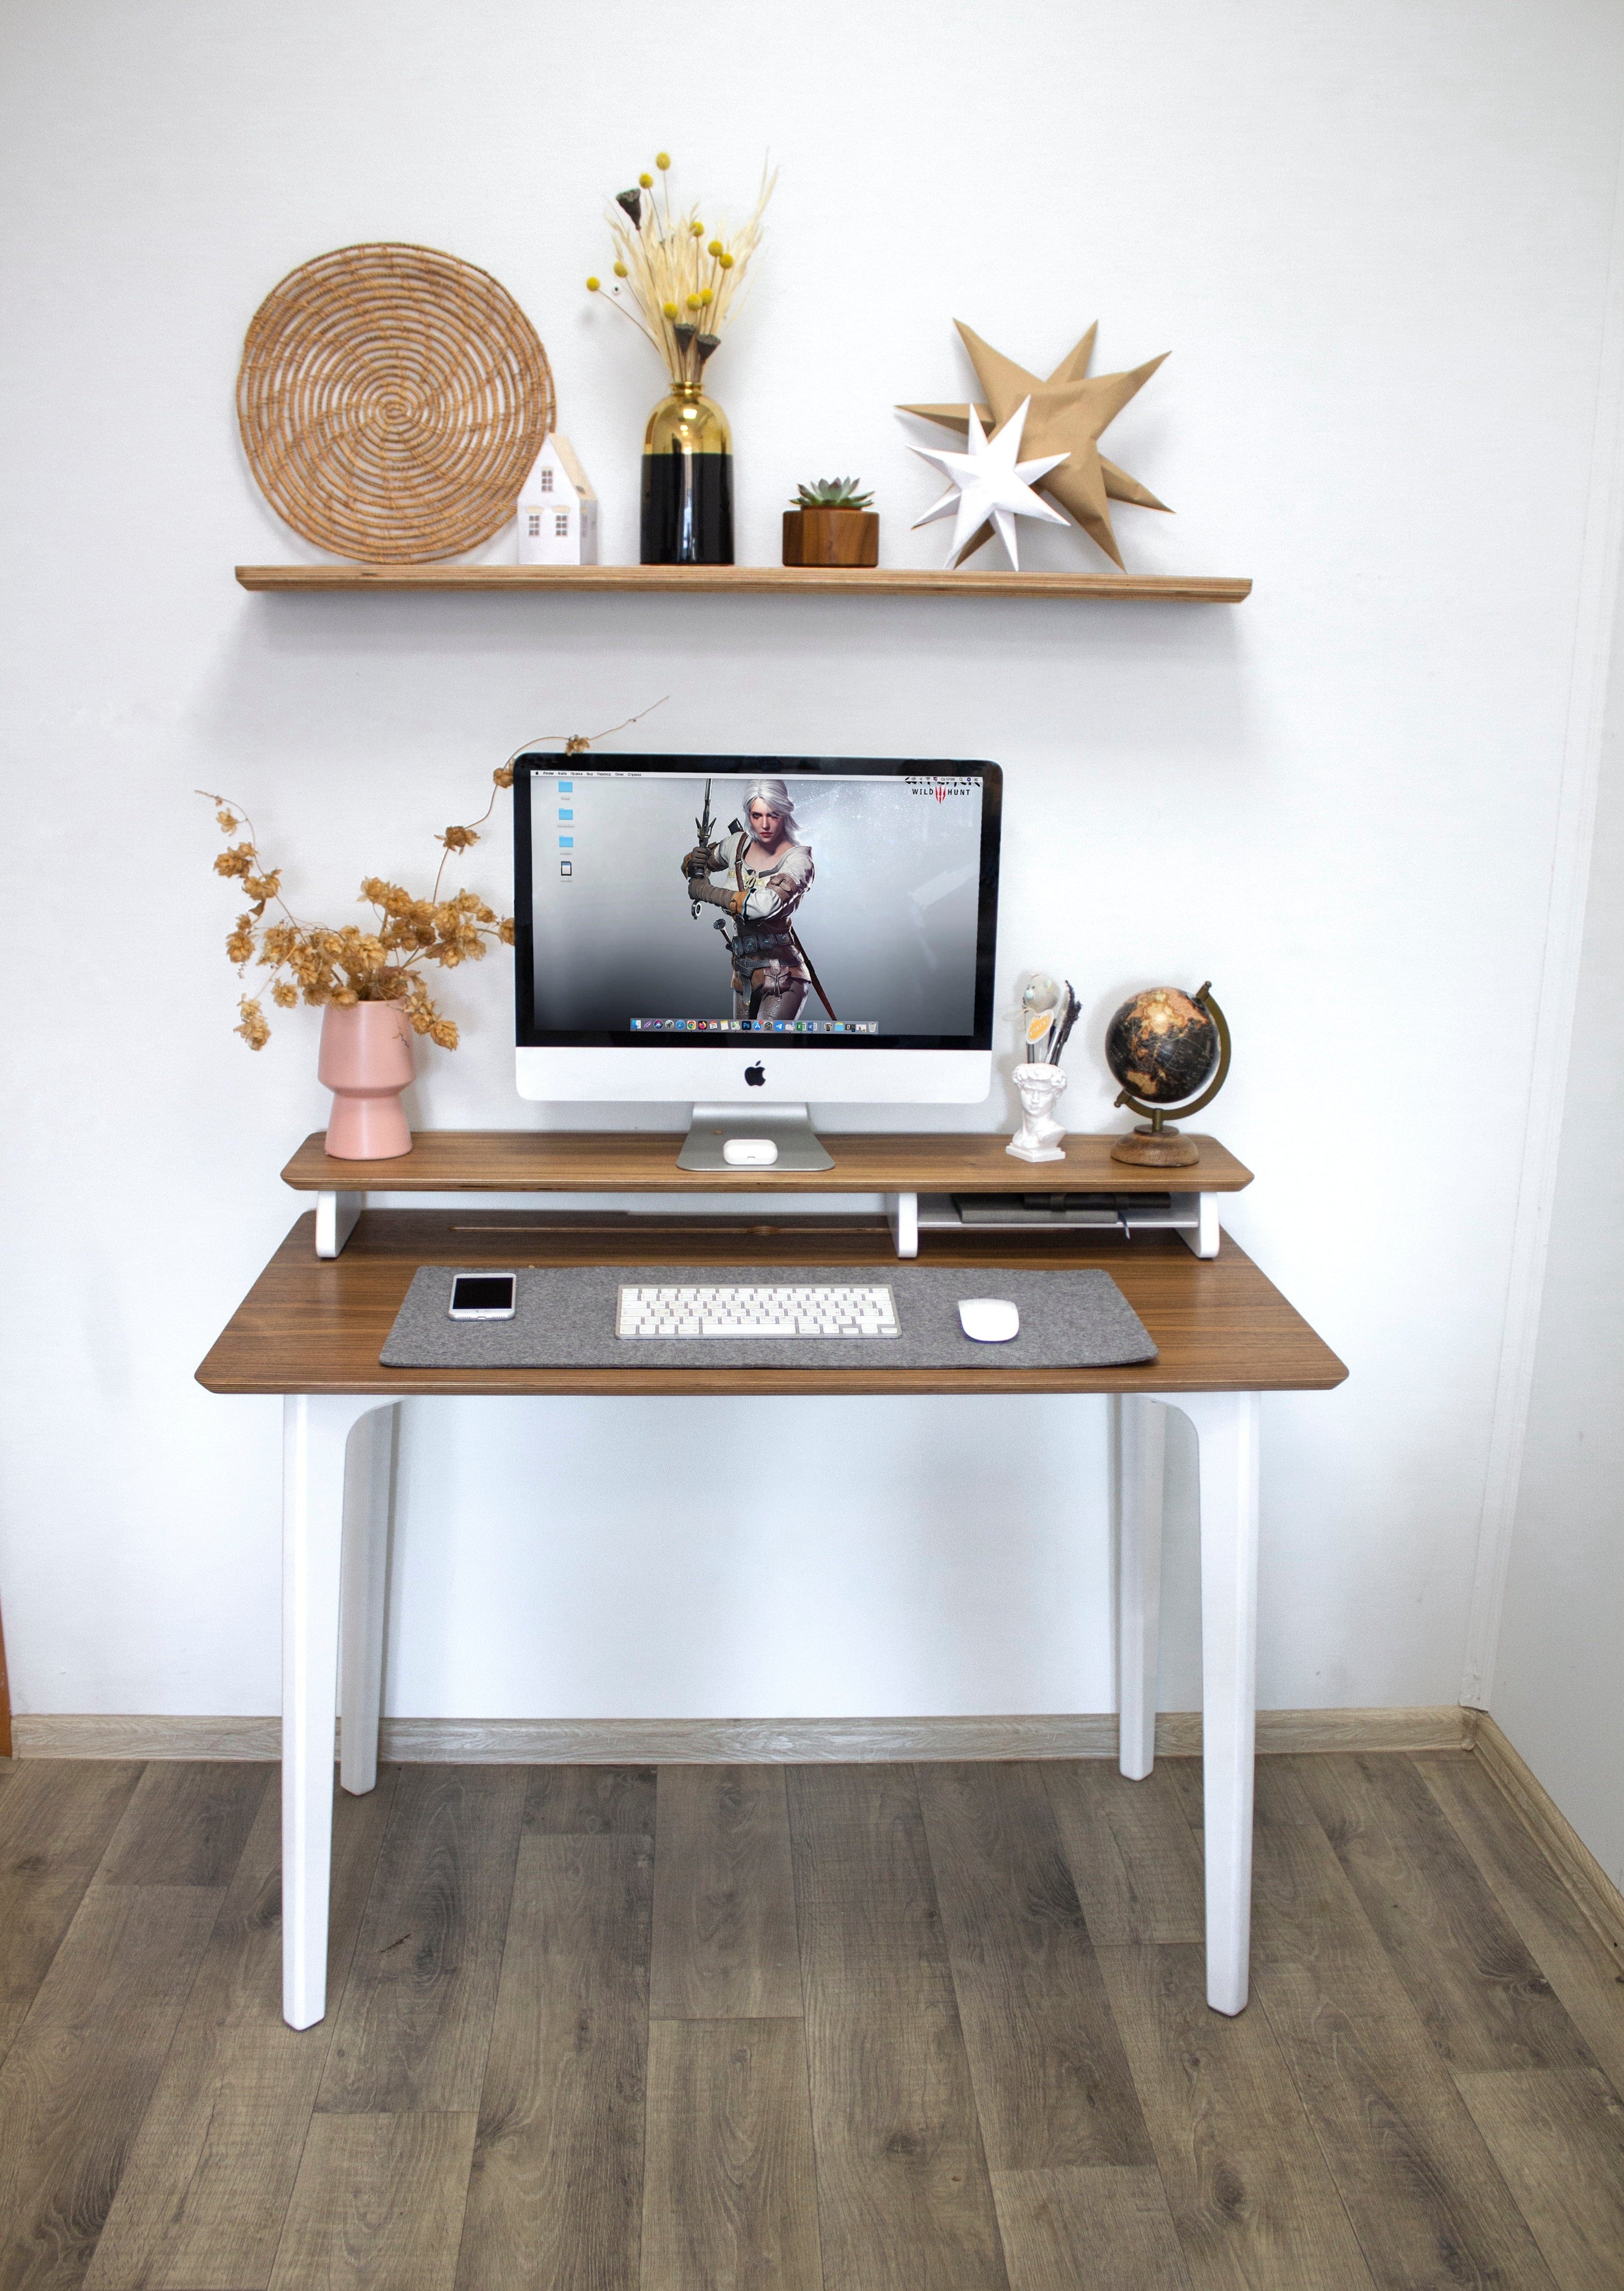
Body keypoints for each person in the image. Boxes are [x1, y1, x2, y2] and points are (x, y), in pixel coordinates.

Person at [682, 778, 817, 1022]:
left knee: (767, 1041)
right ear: (749, 815)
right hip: (744, 974)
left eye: (773, 815)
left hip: (784, 975)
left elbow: (763, 906)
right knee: (741, 1042)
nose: (764, 824)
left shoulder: (799, 861)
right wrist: (696, 863)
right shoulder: (737, 844)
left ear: (785, 813)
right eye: (757, 815)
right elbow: (700, 866)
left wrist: (706, 891)